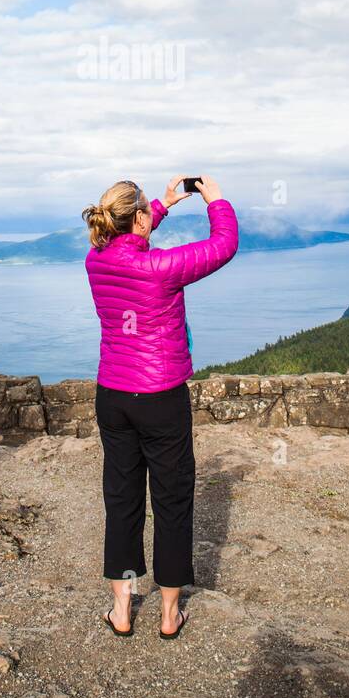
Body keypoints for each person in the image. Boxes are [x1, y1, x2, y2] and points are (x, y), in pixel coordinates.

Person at [82, 175, 239, 640]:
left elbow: (127, 236)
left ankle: (122, 609)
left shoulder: (95, 261)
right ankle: (170, 615)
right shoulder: (162, 268)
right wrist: (216, 199)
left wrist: (163, 203)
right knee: (171, 500)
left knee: (123, 498)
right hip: (161, 396)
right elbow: (223, 245)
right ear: (140, 221)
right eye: (148, 213)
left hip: (113, 395)